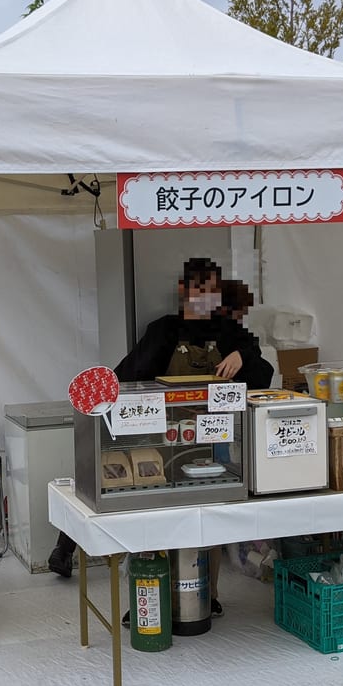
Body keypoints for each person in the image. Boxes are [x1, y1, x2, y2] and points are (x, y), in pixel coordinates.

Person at [50, 259, 274, 614]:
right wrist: (100, 402)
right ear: (184, 291)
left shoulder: (232, 332)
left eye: (212, 289)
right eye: (199, 288)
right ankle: (149, 593)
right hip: (161, 440)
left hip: (210, 443)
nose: (205, 297)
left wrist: (242, 356)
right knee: (155, 522)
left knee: (207, 522)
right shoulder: (165, 329)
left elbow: (265, 377)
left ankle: (206, 595)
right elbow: (129, 377)